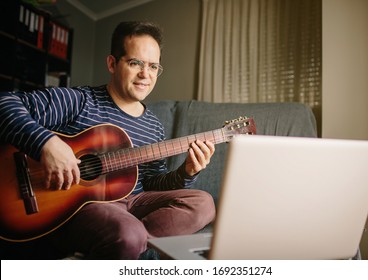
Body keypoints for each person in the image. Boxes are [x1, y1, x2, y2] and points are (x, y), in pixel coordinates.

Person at [0, 21, 216, 259]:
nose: (146, 74)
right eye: (136, 63)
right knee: (128, 232)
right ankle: (129, 244)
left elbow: (153, 183)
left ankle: (126, 248)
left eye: (154, 67)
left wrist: (186, 173)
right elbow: (5, 103)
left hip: (134, 205)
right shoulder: (80, 101)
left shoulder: (154, 126)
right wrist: (46, 144)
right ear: (112, 64)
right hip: (81, 206)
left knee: (203, 203)